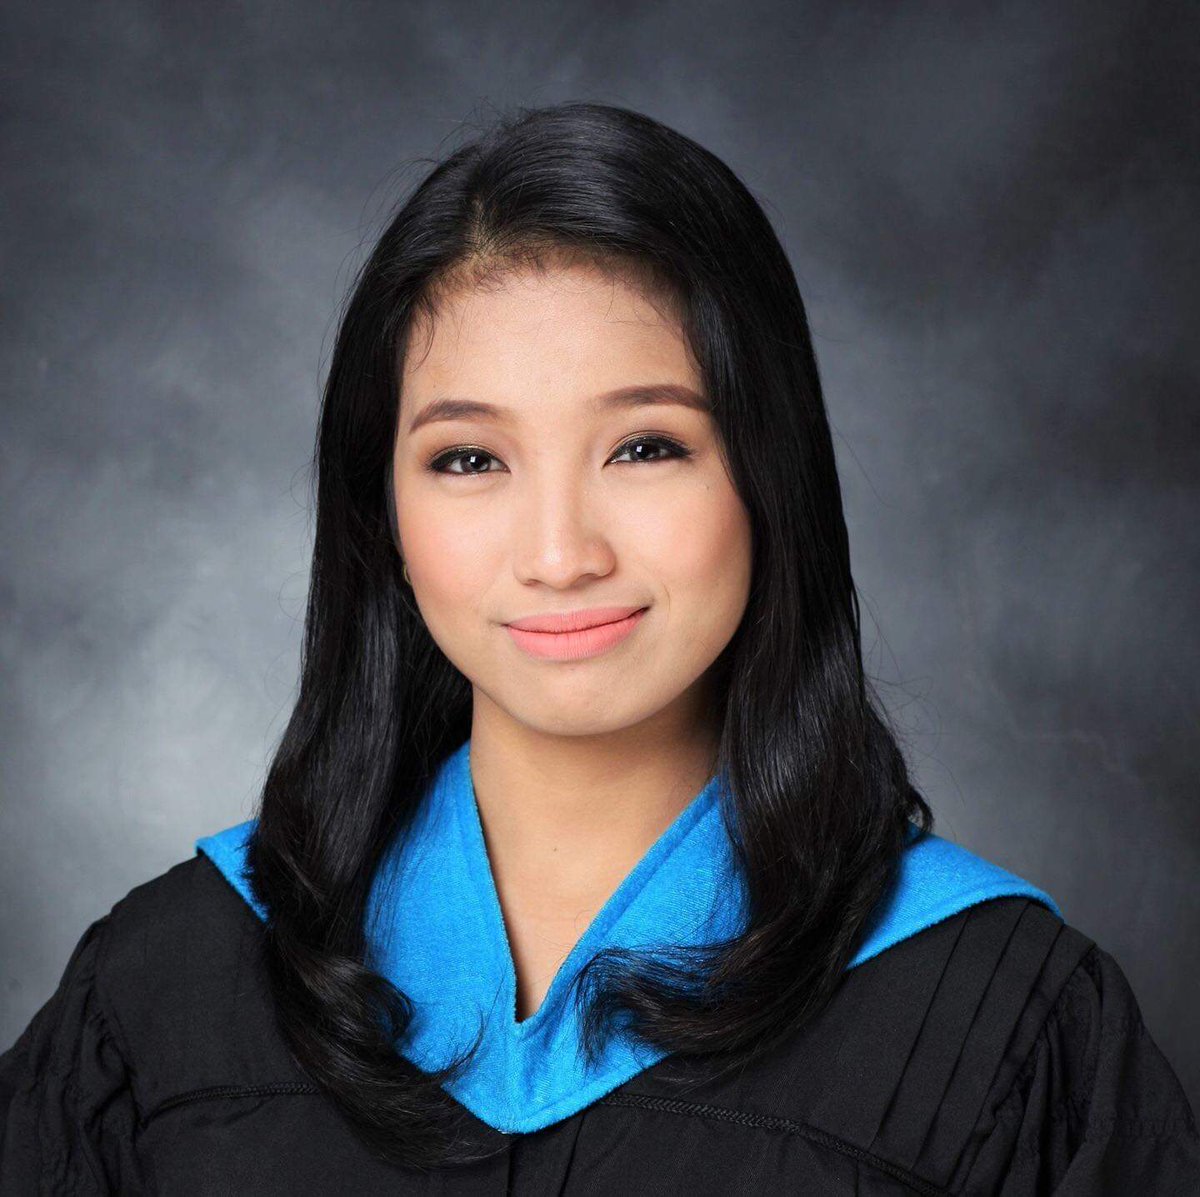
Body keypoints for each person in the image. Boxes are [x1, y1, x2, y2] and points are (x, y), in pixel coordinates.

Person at [1, 100, 1196, 1195]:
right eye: (469, 459)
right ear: (384, 517)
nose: (560, 553)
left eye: (645, 448)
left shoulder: (998, 1026)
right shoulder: (167, 997)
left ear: (769, 476)